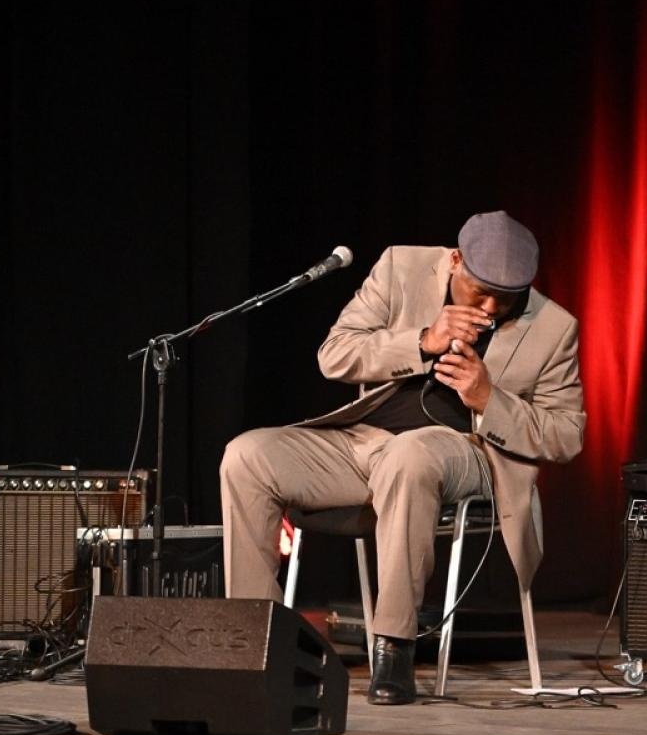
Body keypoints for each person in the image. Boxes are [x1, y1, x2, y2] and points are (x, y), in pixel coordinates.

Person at [220, 211, 585, 703]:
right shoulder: (400, 268)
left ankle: (393, 647)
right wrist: (422, 341)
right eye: (481, 291)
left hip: (468, 452)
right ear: (455, 261)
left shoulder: (554, 327)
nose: (491, 307)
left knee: (410, 454)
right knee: (247, 455)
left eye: (508, 297)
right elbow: (335, 354)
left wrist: (488, 398)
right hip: (363, 441)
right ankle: (257, 644)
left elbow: (566, 435)